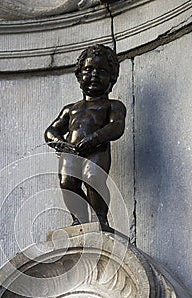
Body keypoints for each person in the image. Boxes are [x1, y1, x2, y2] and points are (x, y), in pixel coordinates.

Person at [44, 44, 126, 230]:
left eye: (101, 71)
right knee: (67, 182)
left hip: (96, 149)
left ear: (112, 78)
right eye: (88, 70)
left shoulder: (112, 105)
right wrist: (60, 144)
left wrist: (94, 139)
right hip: (71, 152)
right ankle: (79, 220)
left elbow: (116, 126)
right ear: (79, 74)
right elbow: (51, 131)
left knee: (93, 178)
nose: (94, 75)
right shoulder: (71, 108)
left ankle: (100, 220)